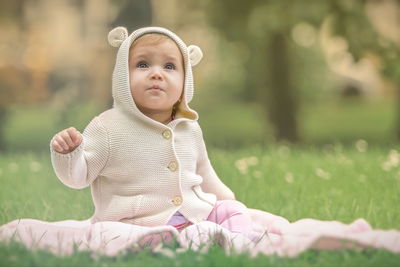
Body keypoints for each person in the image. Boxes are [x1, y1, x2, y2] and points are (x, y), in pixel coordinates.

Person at [50, 26, 253, 237]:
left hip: (192, 215)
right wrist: (70, 155)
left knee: (234, 212)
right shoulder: (108, 127)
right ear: (122, 75)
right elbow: (78, 178)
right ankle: (183, 239)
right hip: (132, 224)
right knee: (111, 234)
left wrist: (227, 199)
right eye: (143, 64)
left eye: (169, 66)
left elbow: (204, 172)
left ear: (185, 81)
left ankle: (237, 242)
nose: (156, 74)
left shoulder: (189, 127)